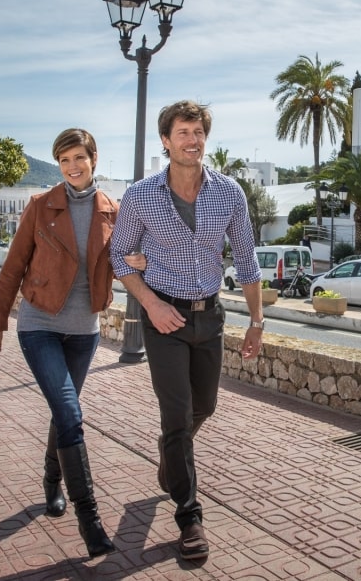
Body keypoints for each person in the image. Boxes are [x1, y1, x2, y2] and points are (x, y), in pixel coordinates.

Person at [110, 100, 264, 561]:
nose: (192, 140)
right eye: (182, 132)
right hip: (165, 320)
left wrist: (256, 321)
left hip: (210, 316)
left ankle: (171, 456)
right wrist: (152, 305)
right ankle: (189, 516)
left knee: (206, 406)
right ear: (165, 139)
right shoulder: (141, 195)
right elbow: (120, 258)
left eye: (198, 132)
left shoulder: (229, 192)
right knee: (176, 416)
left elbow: (248, 260)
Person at [0, 128, 144, 559]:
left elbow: (125, 257)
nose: (72, 167)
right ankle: (89, 518)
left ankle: (52, 480)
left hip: (84, 332)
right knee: (71, 411)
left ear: (94, 159)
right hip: (39, 325)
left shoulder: (113, 209)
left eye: (79, 158)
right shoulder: (40, 206)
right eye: (64, 160)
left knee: (63, 411)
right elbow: (14, 265)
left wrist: (139, 260)